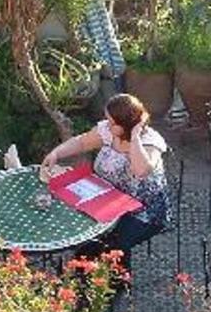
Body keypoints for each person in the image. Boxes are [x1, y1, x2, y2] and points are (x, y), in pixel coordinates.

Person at [42, 93, 169, 256]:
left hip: (143, 211)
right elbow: (82, 142)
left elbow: (141, 170)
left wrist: (135, 136)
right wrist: (56, 153)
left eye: (112, 123)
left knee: (110, 246)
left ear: (128, 124)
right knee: (81, 234)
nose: (107, 126)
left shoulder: (150, 142)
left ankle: (117, 280)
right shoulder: (109, 132)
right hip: (105, 200)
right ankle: (85, 274)